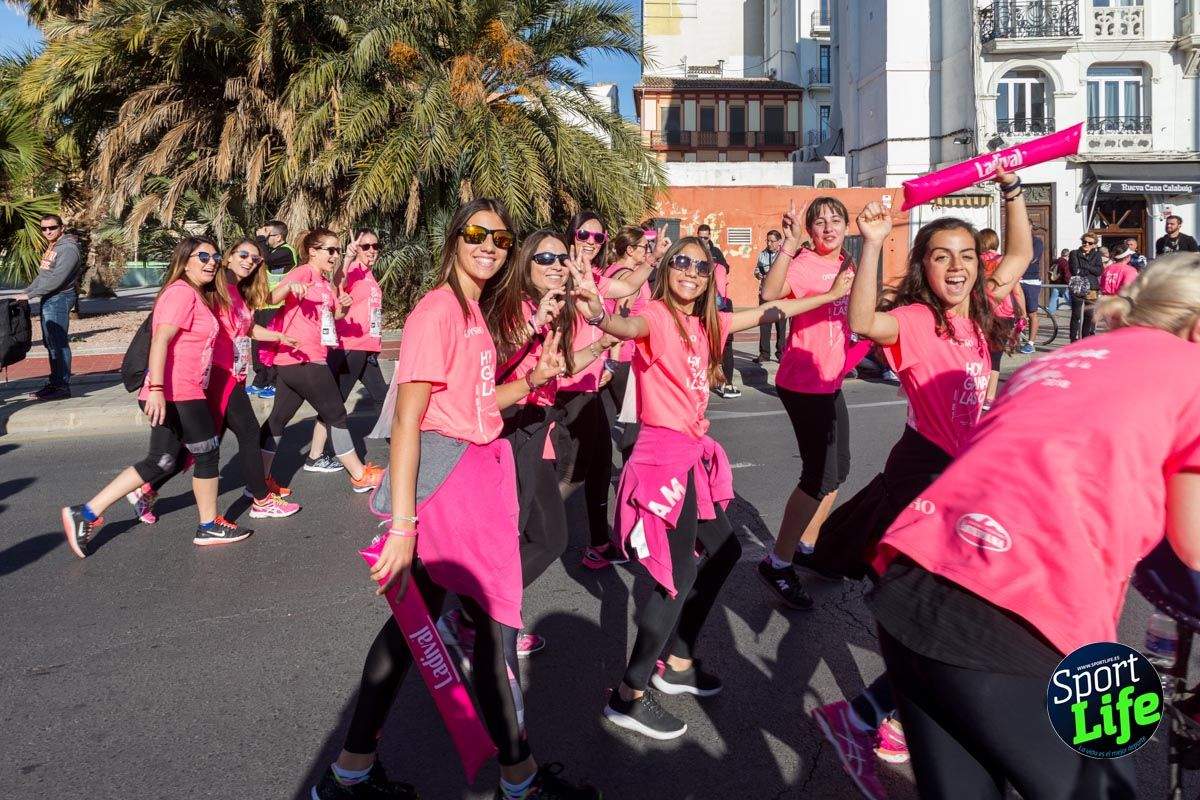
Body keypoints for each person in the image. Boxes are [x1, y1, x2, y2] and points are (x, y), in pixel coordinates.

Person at [867, 254, 1200, 799]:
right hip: (1026, 611)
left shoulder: (1065, 357)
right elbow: (1192, 550)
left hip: (914, 580)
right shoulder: (1192, 369)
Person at [312, 199, 600, 800]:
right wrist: (402, 526)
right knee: (491, 633)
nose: (489, 245)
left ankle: (349, 773)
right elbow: (409, 420)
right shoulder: (438, 310)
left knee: (409, 630)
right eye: (476, 233)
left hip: (473, 478)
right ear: (454, 240)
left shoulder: (473, 310)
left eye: (501, 237)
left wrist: (535, 378)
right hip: (451, 489)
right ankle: (520, 781)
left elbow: (478, 402)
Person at [570, 235, 854, 740]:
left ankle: (678, 663)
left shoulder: (708, 323)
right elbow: (625, 325)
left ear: (708, 279)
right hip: (662, 458)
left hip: (689, 454)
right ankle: (628, 695)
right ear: (667, 269)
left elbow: (769, 311)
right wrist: (597, 312)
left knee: (723, 552)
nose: (690, 272)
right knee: (676, 575)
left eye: (700, 267)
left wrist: (831, 296)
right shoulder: (657, 315)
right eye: (681, 262)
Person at [806, 167, 1032, 799]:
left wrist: (1013, 191)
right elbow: (861, 321)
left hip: (968, 471)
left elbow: (1019, 254)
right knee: (957, 610)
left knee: (958, 613)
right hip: (925, 472)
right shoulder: (911, 319)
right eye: (941, 256)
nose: (956, 267)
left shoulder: (982, 309)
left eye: (966, 256)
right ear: (923, 266)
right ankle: (874, 716)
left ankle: (879, 714)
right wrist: (873, 241)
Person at [461, 229, 619, 659]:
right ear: (525, 263)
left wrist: (601, 345)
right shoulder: (509, 307)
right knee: (534, 537)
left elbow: (559, 369)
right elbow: (487, 368)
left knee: (545, 537)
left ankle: (480, 618)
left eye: (561, 258)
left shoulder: (552, 309)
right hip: (510, 430)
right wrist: (532, 325)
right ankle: (477, 620)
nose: (556, 266)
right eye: (544, 258)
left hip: (536, 429)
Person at [61, 237, 256, 555]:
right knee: (207, 453)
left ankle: (85, 513)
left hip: (182, 390)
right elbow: (160, 340)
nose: (211, 262)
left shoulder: (196, 293)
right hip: (178, 391)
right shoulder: (180, 292)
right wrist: (155, 390)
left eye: (214, 256)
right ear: (185, 260)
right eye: (202, 256)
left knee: (161, 461)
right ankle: (208, 525)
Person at [127, 239, 303, 526]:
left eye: (255, 259)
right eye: (243, 254)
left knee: (202, 446)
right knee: (248, 432)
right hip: (220, 374)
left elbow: (246, 327)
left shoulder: (237, 291)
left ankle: (146, 489)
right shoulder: (215, 288)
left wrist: (280, 337)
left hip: (233, 373)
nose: (249, 261)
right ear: (228, 257)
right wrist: (158, 386)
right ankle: (260, 499)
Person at [755, 196, 872, 611]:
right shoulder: (804, 263)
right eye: (819, 222)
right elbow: (769, 294)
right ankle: (778, 562)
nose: (828, 227)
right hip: (804, 382)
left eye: (835, 220)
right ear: (809, 230)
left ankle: (806, 546)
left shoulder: (848, 263)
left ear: (846, 226)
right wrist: (788, 245)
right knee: (817, 476)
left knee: (839, 470)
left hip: (830, 381)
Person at [557, 211, 653, 571]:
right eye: (584, 235)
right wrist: (610, 361)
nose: (591, 243)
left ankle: (598, 541)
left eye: (598, 238)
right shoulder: (559, 273)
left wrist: (653, 259)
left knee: (595, 465)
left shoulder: (595, 277)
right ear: (571, 234)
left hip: (589, 383)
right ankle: (520, 533)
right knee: (572, 473)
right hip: (567, 386)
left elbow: (626, 289)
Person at [258, 228, 384, 494]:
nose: (335, 255)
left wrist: (344, 305)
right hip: (304, 358)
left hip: (298, 359)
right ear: (313, 251)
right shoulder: (303, 272)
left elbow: (334, 316)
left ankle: (258, 481)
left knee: (278, 419)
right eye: (330, 250)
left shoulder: (324, 281)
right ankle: (359, 475)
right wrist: (289, 287)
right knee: (336, 413)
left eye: (337, 250)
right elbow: (269, 299)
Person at [303, 228, 390, 473]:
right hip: (350, 346)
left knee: (381, 397)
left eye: (375, 246)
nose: (372, 250)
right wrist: (348, 258)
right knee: (335, 403)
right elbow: (336, 282)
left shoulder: (368, 274)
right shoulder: (352, 269)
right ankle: (315, 456)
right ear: (357, 249)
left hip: (366, 348)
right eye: (366, 246)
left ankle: (398, 444)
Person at [13, 214, 83, 400]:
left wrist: (30, 295)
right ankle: (55, 383)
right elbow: (44, 275)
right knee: (51, 343)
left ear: (61, 227)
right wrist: (27, 291)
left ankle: (61, 387)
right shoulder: (54, 246)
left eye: (52, 227)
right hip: (51, 298)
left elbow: (57, 279)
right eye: (44, 228)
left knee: (58, 344)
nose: (48, 231)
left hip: (59, 298)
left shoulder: (68, 249)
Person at [247, 220, 300, 399]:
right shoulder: (271, 251)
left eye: (267, 234)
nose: (263, 237)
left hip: (278, 306)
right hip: (262, 304)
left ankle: (275, 383)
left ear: (278, 237)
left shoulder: (287, 251)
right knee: (258, 344)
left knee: (272, 346)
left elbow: (266, 259)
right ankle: (260, 380)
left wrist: (261, 239)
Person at [697, 223, 739, 398]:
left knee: (725, 346)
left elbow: (724, 275)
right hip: (704, 306)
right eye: (700, 238)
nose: (703, 241)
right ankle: (707, 381)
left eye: (705, 238)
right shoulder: (695, 256)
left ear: (709, 237)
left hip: (720, 307)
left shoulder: (718, 260)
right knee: (703, 344)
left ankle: (727, 383)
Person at [754, 230, 786, 363]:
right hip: (765, 294)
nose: (769, 243)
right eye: (767, 241)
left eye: (772, 241)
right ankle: (764, 354)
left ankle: (781, 353)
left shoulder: (784, 255)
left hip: (780, 294)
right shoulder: (762, 254)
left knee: (781, 326)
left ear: (779, 242)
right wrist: (759, 274)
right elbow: (757, 270)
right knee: (764, 324)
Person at [1068, 232, 1103, 341]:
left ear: (1094, 245)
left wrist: (1085, 267)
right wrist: (1091, 269)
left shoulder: (1097, 255)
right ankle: (1073, 340)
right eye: (1084, 242)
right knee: (1076, 315)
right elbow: (1075, 270)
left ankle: (1085, 339)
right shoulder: (1074, 253)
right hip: (1078, 286)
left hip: (1092, 288)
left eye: (1090, 243)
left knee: (1089, 315)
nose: (1086, 244)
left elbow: (1099, 271)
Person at [1017, 225, 1044, 353]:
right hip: (1017, 279)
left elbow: (1032, 258)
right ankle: (1015, 340)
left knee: (1032, 312)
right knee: (1015, 312)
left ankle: (1030, 343)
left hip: (1031, 280)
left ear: (1031, 227)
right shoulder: (1017, 240)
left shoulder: (1036, 242)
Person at [1047, 247, 1070, 312]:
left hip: (1055, 282)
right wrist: (1068, 282)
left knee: (1054, 298)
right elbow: (1066, 273)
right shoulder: (1064, 262)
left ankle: (1050, 312)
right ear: (1067, 255)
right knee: (1068, 297)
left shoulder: (1056, 261)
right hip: (1062, 283)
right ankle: (1076, 310)